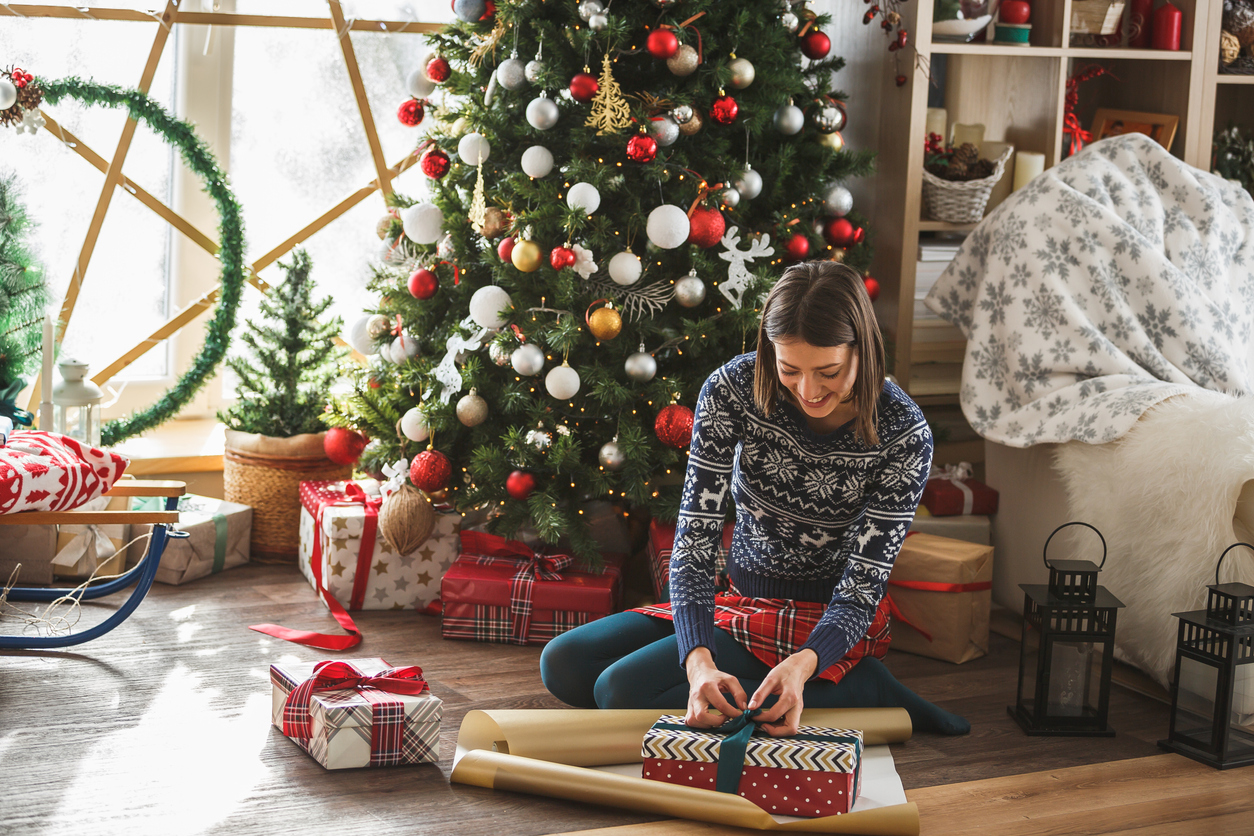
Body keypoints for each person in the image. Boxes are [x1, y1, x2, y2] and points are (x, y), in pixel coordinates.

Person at [540, 261, 969, 736]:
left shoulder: (904, 433)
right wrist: (698, 661)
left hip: (827, 619)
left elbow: (863, 586)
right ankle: (808, 690)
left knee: (618, 691)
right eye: (790, 369)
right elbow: (695, 541)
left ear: (861, 351)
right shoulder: (731, 390)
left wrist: (804, 666)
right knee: (564, 664)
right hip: (740, 598)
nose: (808, 390)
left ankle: (859, 684)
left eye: (828, 371)